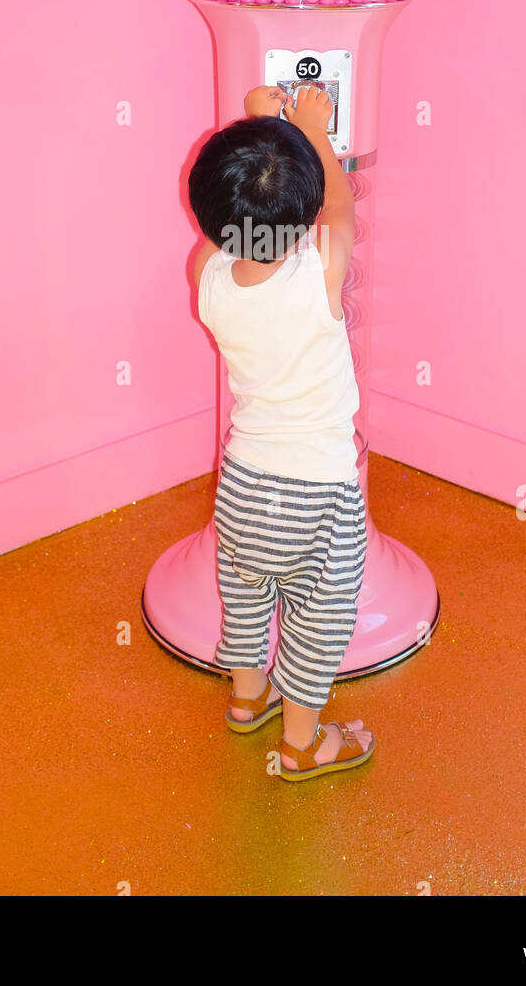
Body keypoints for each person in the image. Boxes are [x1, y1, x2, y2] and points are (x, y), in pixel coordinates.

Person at [189, 82, 375, 782]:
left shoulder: (207, 275)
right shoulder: (318, 277)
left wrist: (268, 130)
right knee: (315, 616)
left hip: (243, 485)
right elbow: (342, 208)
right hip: (317, 493)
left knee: (245, 591)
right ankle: (302, 742)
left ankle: (247, 698)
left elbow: (245, 217)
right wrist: (313, 128)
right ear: (303, 218)